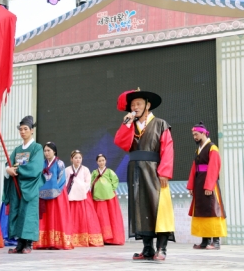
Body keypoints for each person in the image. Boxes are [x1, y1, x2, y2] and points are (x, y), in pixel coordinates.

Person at [114, 88, 175, 261]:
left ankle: (161, 248)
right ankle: (147, 248)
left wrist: (164, 172)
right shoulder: (131, 125)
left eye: (138, 103)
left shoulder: (161, 124)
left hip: (155, 171)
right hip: (136, 171)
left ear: (147, 105)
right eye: (132, 105)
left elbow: (168, 149)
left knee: (159, 208)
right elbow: (120, 143)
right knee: (140, 208)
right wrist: (126, 124)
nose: (135, 107)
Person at [4, 115, 45, 254]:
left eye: (25, 129)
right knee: (17, 212)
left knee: (28, 214)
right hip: (16, 186)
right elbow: (9, 163)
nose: (22, 132)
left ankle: (28, 244)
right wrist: (8, 169)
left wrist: (17, 169)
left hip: (29, 187)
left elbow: (35, 167)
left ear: (32, 130)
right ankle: (19, 244)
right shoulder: (17, 150)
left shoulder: (37, 148)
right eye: (20, 129)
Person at [187, 121, 227, 250]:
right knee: (201, 210)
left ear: (204, 133)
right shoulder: (198, 149)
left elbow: (214, 167)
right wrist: (191, 186)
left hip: (208, 183)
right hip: (199, 182)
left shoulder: (212, 148)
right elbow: (194, 168)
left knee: (212, 210)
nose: (195, 137)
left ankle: (215, 242)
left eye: (196, 134)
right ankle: (204, 241)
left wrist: (209, 186)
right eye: (193, 135)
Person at [33, 142, 73, 250]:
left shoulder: (60, 163)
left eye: (48, 150)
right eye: (45, 151)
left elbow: (62, 178)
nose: (46, 153)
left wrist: (55, 190)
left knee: (56, 216)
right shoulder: (42, 163)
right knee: (45, 217)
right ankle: (43, 242)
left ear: (54, 151)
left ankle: (56, 242)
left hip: (57, 194)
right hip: (43, 194)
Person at [65, 150, 103, 247]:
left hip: (83, 197)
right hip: (70, 197)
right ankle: (71, 238)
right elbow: (64, 183)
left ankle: (84, 238)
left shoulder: (85, 169)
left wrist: (79, 188)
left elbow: (88, 183)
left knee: (85, 217)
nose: (78, 160)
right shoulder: (67, 170)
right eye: (76, 158)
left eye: (80, 158)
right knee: (71, 217)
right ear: (71, 159)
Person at [91, 153, 125, 245]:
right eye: (99, 161)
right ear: (96, 162)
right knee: (100, 217)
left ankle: (112, 238)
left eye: (103, 160)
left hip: (109, 198)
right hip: (97, 198)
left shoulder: (110, 171)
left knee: (110, 216)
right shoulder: (94, 172)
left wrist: (111, 189)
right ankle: (101, 237)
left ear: (105, 161)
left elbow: (115, 181)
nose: (101, 162)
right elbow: (91, 182)